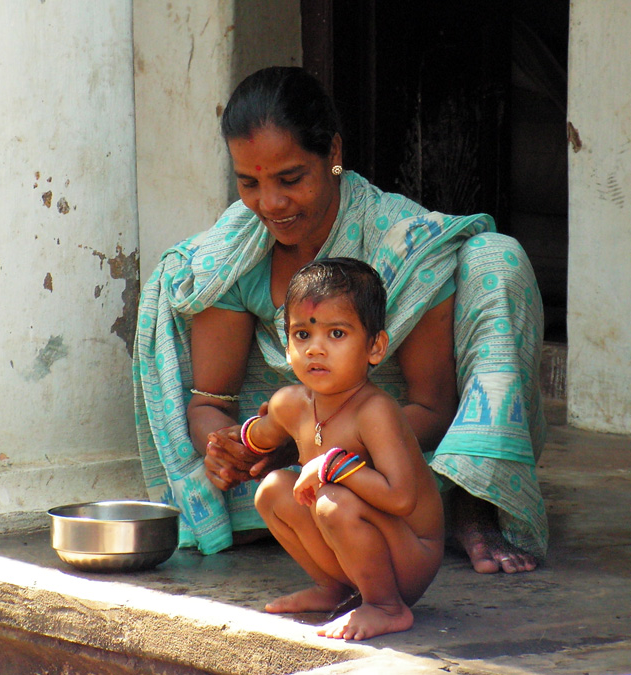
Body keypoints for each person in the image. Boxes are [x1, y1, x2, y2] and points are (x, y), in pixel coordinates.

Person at [133, 65, 547, 574]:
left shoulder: (403, 242)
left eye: (290, 179)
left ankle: (471, 501)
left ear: (332, 154)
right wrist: (225, 448)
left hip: (400, 455)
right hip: (293, 458)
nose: (271, 203)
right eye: (249, 183)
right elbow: (210, 401)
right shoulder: (235, 252)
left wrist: (309, 443)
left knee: (496, 259)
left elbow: (432, 408)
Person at [247, 257, 444, 640]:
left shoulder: (375, 412)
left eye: (336, 335)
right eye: (302, 335)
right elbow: (261, 434)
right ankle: (334, 589)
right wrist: (239, 442)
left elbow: (402, 498)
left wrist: (330, 464)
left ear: (375, 346)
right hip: (350, 547)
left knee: (332, 500)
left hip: (408, 555)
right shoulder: (291, 403)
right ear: (286, 346)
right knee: (272, 489)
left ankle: (386, 607)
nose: (315, 350)